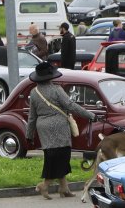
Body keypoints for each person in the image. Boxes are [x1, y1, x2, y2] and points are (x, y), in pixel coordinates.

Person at [25, 61, 92, 199]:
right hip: (59, 126)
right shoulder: (57, 89)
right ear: (51, 76)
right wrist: (90, 115)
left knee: (51, 155)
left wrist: (29, 134)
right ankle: (44, 185)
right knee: (62, 157)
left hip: (43, 127)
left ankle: (64, 188)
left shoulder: (34, 92)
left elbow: (32, 117)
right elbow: (70, 105)